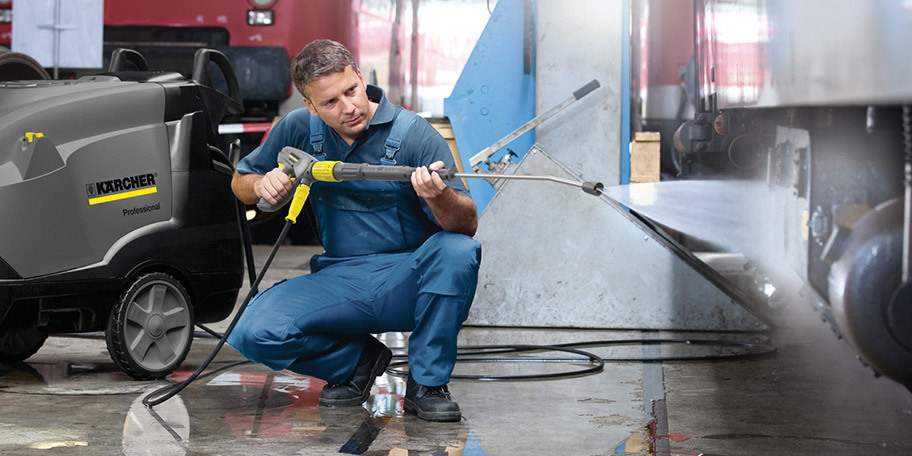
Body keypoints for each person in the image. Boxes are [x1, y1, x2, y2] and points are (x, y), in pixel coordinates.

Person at [227, 39, 481, 423]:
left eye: (352, 90)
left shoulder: (414, 134)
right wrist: (261, 185)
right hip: (340, 278)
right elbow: (240, 179)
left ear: (361, 77)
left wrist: (440, 196)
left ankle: (427, 385)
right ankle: (356, 363)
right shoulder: (298, 128)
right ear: (310, 106)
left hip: (407, 279)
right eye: (330, 102)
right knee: (253, 331)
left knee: (457, 251)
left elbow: (467, 224)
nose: (349, 107)